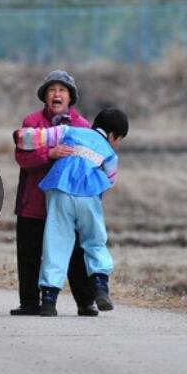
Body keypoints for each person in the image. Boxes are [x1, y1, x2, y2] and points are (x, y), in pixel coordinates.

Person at [15, 107, 129, 317]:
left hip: (58, 190)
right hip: (88, 196)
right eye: (119, 140)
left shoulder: (68, 131)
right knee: (94, 241)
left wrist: (21, 136)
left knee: (56, 242)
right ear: (113, 136)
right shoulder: (110, 153)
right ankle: (100, 285)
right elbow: (109, 180)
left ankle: (49, 300)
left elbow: (28, 138)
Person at [12, 70, 97, 317]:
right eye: (51, 90)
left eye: (62, 90)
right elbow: (22, 158)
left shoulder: (83, 127)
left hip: (70, 203)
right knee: (29, 253)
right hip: (34, 202)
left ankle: (86, 302)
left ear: (70, 97)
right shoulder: (32, 122)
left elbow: (92, 164)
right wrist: (49, 154)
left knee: (76, 253)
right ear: (45, 96)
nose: (56, 94)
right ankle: (30, 303)